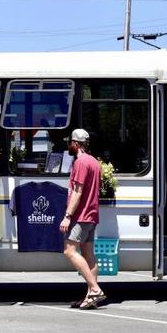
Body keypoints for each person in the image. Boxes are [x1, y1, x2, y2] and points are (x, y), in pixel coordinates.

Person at [59, 128, 106, 310]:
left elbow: (77, 192)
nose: (69, 145)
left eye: (70, 142)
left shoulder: (80, 163)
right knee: (88, 254)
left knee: (69, 251)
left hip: (81, 215)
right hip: (92, 214)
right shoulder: (94, 162)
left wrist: (67, 216)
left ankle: (94, 289)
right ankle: (90, 297)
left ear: (76, 144)